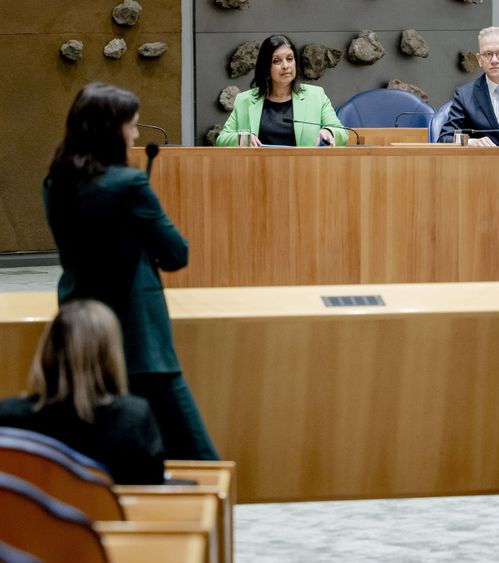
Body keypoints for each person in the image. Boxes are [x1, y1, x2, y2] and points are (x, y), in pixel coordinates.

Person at [44, 82, 219, 460]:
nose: (136, 134)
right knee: (198, 455)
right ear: (112, 130)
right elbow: (176, 254)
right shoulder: (130, 184)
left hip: (79, 329)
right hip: (139, 337)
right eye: (132, 125)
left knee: (100, 457)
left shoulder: (55, 184)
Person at [0, 301, 165, 484]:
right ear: (110, 356)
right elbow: (151, 487)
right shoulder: (133, 417)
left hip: (27, 514)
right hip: (107, 513)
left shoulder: (8, 416)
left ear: (47, 350)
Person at [216, 34, 348, 147]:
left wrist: (329, 132)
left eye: (290, 59)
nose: (286, 66)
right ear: (266, 67)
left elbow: (342, 133)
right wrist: (243, 139)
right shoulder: (244, 100)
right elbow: (221, 140)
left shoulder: (316, 96)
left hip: (304, 171)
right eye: (277, 61)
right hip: (258, 171)